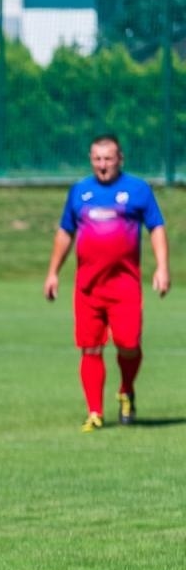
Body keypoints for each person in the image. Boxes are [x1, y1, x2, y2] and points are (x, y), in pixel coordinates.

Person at [43, 133, 170, 431]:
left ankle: (126, 389)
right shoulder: (79, 192)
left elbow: (156, 227)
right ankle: (95, 412)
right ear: (91, 160)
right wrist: (52, 272)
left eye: (108, 159)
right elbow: (65, 233)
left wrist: (162, 267)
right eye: (97, 159)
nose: (102, 165)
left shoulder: (137, 190)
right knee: (90, 348)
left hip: (124, 286)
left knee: (128, 344)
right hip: (88, 287)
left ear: (120, 159)